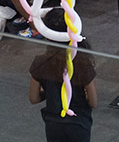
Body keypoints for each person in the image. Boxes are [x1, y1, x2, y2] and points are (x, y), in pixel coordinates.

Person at [29, 10, 98, 139]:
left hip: (53, 123)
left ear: (48, 35)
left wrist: (50, 91)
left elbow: (34, 98)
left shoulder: (40, 63)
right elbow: (93, 102)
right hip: (78, 123)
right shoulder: (82, 64)